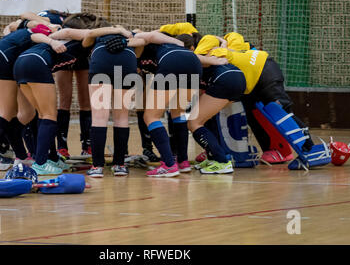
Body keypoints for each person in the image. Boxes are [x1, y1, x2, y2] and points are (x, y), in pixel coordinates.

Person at [193, 33, 315, 164]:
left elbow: (194, 57)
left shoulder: (211, 50)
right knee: (254, 114)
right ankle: (275, 150)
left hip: (264, 71)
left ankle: (310, 148)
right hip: (254, 76)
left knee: (283, 111)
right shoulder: (222, 50)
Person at [0, 22, 59, 171]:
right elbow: (36, 34)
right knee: (6, 112)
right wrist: (52, 41)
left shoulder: (18, 34)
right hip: (2, 61)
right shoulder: (33, 34)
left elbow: (8, 28)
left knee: (23, 114)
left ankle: (21, 156)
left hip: (3, 59)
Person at [13, 26, 92, 175]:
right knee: (49, 115)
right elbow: (73, 31)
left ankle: (51, 159)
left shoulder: (58, 42)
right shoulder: (86, 37)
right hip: (37, 63)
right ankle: (41, 163)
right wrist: (118, 31)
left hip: (20, 64)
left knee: (43, 115)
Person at [131, 31, 206, 177]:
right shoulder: (165, 47)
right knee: (178, 113)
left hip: (173, 62)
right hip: (194, 62)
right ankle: (183, 162)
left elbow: (142, 36)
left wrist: (129, 37)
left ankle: (169, 165)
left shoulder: (140, 44)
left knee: (151, 117)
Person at [82, 25, 142, 178]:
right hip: (127, 61)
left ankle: (97, 167)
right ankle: (119, 165)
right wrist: (124, 33)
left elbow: (87, 36)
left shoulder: (97, 36)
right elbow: (142, 43)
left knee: (99, 117)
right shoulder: (130, 35)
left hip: (102, 61)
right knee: (122, 116)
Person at [53, 13, 111, 161]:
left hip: (83, 59)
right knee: (64, 101)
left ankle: (88, 145)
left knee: (86, 102)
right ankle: (61, 147)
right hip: (64, 55)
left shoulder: (92, 32)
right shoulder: (63, 27)